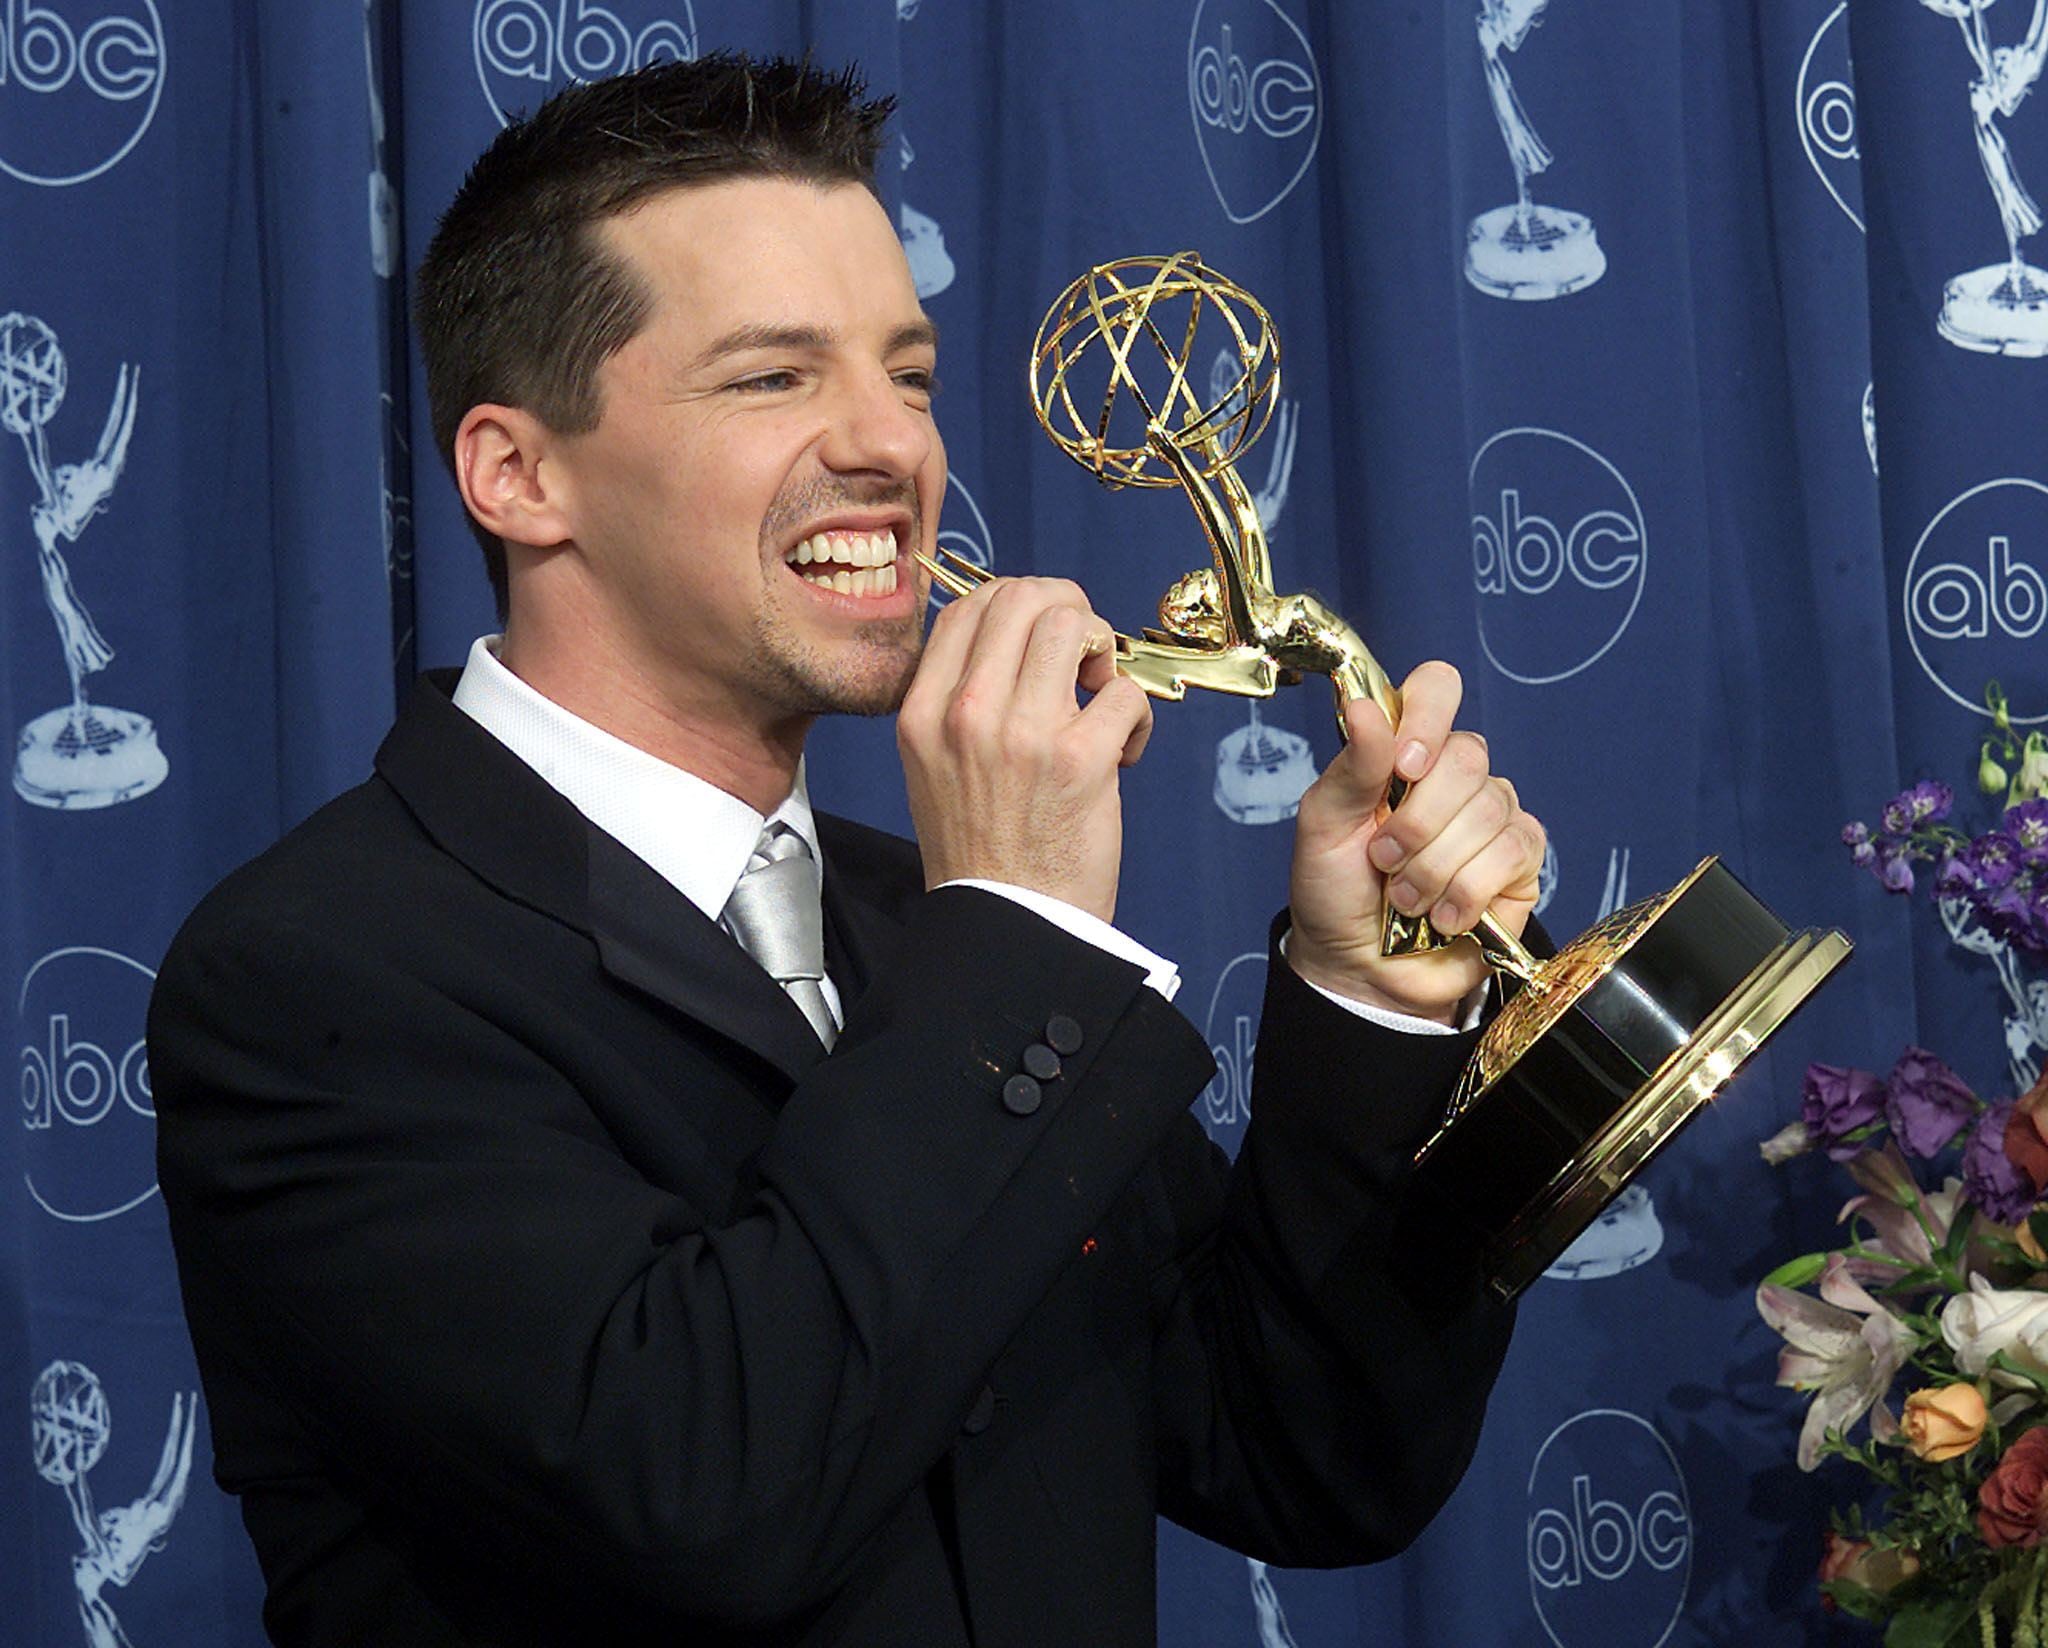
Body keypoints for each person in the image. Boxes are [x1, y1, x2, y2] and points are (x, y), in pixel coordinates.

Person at [149, 54, 1547, 1648]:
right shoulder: (320, 971)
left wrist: (1370, 1006)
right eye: (773, 378)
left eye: (912, 373)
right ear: (519, 475)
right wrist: (1019, 925)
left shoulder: (920, 924)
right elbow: (710, 1495)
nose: (892, 446)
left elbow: (1303, 1458)